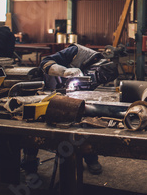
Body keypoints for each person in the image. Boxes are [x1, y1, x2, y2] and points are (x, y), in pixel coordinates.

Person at [22, 44, 107, 177]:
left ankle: (91, 158)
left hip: (72, 96)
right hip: (49, 91)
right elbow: (45, 63)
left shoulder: (101, 71)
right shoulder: (76, 52)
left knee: (86, 122)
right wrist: (64, 71)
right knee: (35, 125)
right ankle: (29, 163)